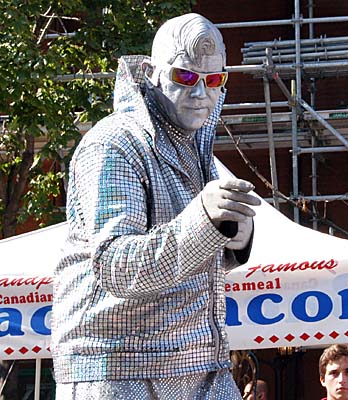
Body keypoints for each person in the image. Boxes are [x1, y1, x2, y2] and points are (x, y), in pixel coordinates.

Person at [51, 12, 260, 400]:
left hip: (201, 364)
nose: (201, 94)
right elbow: (117, 267)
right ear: (149, 71)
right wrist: (202, 220)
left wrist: (234, 239)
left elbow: (186, 260)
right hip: (118, 367)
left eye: (214, 80)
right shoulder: (113, 145)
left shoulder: (194, 148)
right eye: (185, 76)